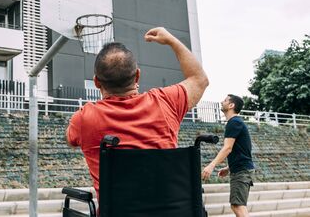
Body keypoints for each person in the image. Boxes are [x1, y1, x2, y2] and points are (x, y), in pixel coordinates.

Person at [66, 27, 209, 200]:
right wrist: (172, 40)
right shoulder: (166, 102)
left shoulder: (83, 119)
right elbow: (200, 80)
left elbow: (70, 140)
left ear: (96, 82)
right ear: (137, 76)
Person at [202, 94, 255, 217]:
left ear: (231, 105)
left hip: (242, 171)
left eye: (225, 100)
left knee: (237, 206)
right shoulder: (237, 123)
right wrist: (229, 167)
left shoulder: (234, 122)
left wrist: (212, 165)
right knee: (238, 205)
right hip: (242, 169)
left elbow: (227, 148)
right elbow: (243, 150)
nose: (221, 102)